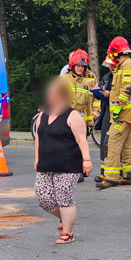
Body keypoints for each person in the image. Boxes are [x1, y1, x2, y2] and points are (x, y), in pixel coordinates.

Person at [34, 77, 93, 244]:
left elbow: (82, 140)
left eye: (51, 92)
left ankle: (68, 233)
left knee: (64, 198)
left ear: (60, 94)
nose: (47, 95)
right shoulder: (43, 114)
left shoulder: (72, 115)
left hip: (68, 166)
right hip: (46, 165)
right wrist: (37, 157)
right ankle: (65, 218)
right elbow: (38, 136)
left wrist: (86, 160)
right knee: (43, 197)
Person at [96, 36, 131, 189]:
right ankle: (129, 174)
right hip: (125, 113)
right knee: (126, 144)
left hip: (123, 113)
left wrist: (119, 108)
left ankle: (111, 177)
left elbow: (126, 89)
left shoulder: (127, 65)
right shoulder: (125, 65)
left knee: (111, 142)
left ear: (116, 52)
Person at [61, 49, 97, 126]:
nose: (80, 68)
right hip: (65, 119)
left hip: (81, 121)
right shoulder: (63, 78)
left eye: (82, 66)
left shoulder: (86, 83)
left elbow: (88, 105)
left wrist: (90, 123)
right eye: (78, 66)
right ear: (73, 66)